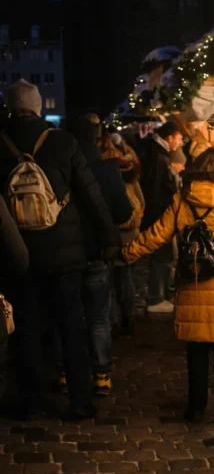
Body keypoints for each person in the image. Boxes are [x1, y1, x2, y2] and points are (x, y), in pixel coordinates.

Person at [122, 148, 214, 429]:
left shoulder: (181, 200)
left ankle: (196, 408)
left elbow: (156, 235)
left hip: (193, 284)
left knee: (197, 351)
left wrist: (128, 252)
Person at [0, 81, 118, 419]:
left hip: (17, 254)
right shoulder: (64, 142)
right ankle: (80, 400)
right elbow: (91, 194)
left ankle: (30, 400)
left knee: (27, 328)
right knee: (71, 326)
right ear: (38, 107)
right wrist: (108, 238)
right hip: (65, 253)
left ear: (10, 107)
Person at [61, 116, 132, 396]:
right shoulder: (106, 170)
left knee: (66, 315)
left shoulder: (59, 167)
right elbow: (124, 213)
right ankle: (101, 373)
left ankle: (64, 372)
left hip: (64, 253)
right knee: (99, 316)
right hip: (97, 252)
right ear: (95, 138)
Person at [98, 131, 145, 337]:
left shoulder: (102, 172)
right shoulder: (129, 171)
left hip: (113, 232)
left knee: (108, 281)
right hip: (128, 234)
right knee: (124, 279)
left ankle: (112, 321)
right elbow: (141, 204)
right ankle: (128, 318)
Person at [137, 120, 185, 314]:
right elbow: (154, 190)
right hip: (159, 216)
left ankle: (159, 296)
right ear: (170, 137)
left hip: (157, 214)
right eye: (179, 138)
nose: (180, 143)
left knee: (162, 257)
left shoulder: (157, 153)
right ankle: (156, 298)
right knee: (161, 257)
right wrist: (164, 216)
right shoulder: (158, 156)